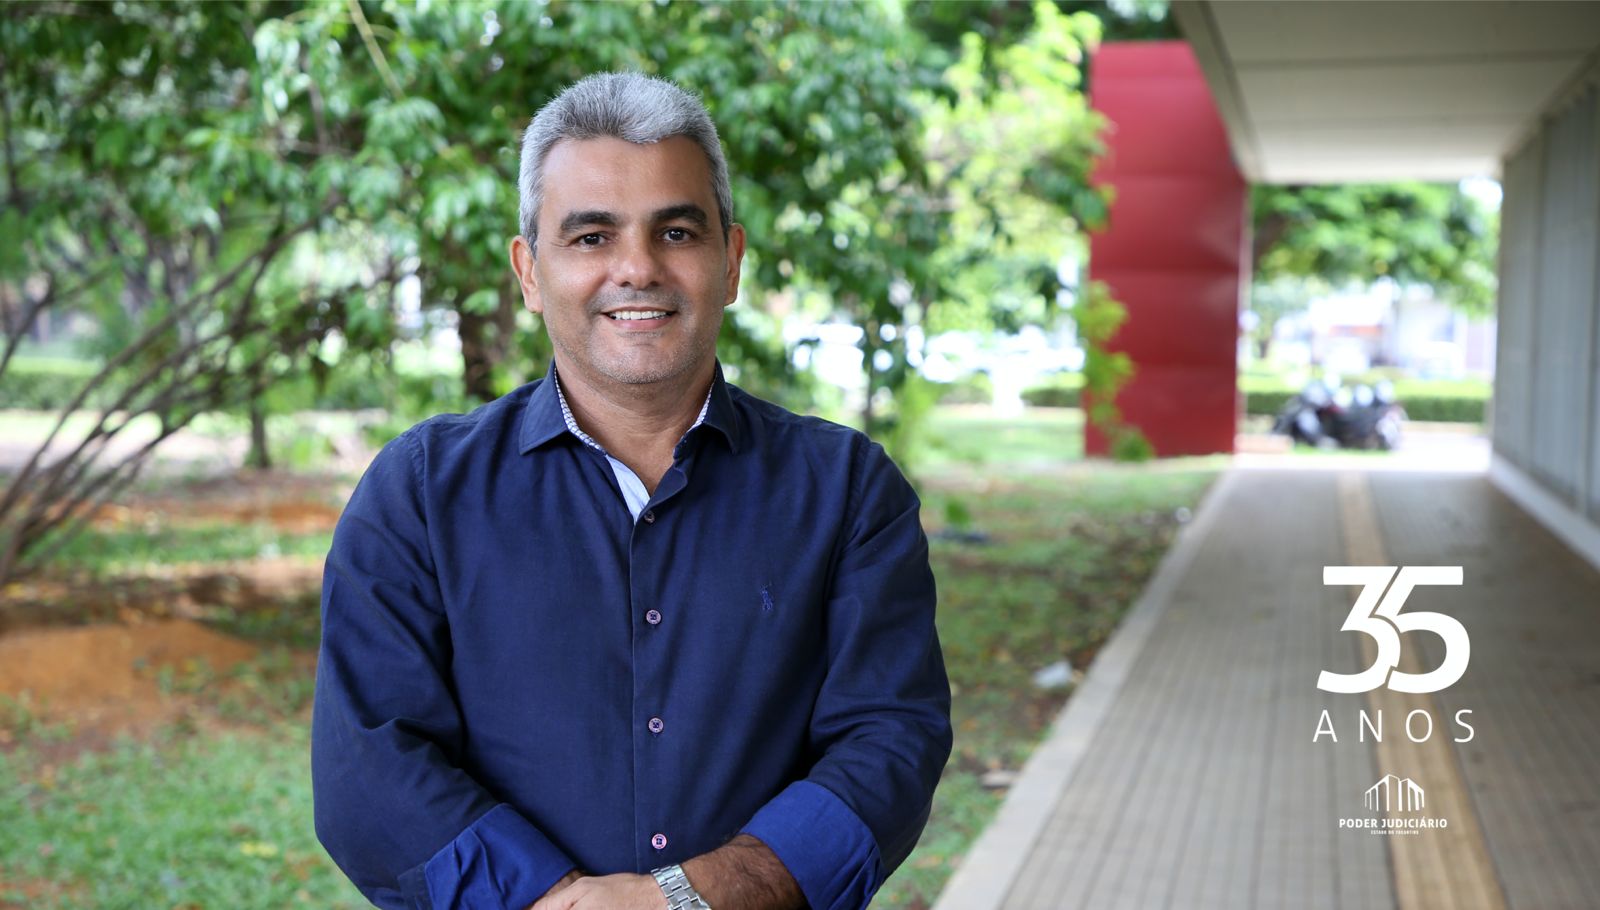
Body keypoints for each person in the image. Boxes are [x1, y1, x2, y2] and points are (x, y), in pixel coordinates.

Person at [312, 72, 951, 910]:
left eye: (676, 231)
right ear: (530, 272)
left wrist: (686, 900)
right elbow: (369, 760)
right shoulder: (421, 493)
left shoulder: (848, 493)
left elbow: (889, 742)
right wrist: (551, 902)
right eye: (589, 238)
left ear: (731, 261)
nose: (637, 269)